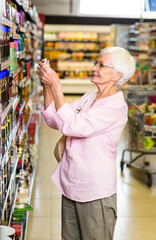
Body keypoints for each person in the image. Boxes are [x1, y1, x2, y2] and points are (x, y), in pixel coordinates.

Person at [37, 46, 136, 240]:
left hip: (95, 191)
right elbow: (55, 119)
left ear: (117, 75)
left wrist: (57, 85)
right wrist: (46, 84)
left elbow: (74, 126)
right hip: (72, 184)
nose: (94, 67)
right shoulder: (89, 97)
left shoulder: (115, 106)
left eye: (101, 64)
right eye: (95, 63)